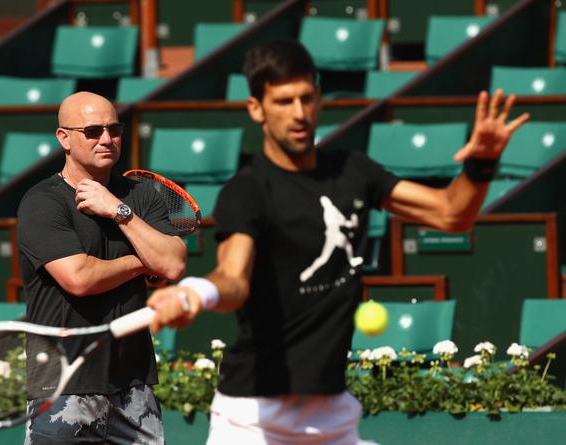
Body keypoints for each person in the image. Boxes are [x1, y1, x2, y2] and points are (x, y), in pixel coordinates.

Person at [145, 39, 529, 444]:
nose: (298, 113)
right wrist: (195, 293)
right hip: (253, 421)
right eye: (283, 101)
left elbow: (452, 214)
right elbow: (234, 279)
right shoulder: (248, 191)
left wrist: (482, 164)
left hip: (333, 418)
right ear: (256, 109)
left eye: (307, 98)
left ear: (319, 99)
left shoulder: (354, 172)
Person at [17, 91, 187, 444]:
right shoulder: (41, 203)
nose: (107, 139)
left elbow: (172, 264)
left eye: (114, 129)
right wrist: (142, 262)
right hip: (64, 386)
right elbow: (79, 278)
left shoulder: (142, 197)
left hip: (133, 384)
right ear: (64, 138)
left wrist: (117, 210)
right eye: (92, 131)